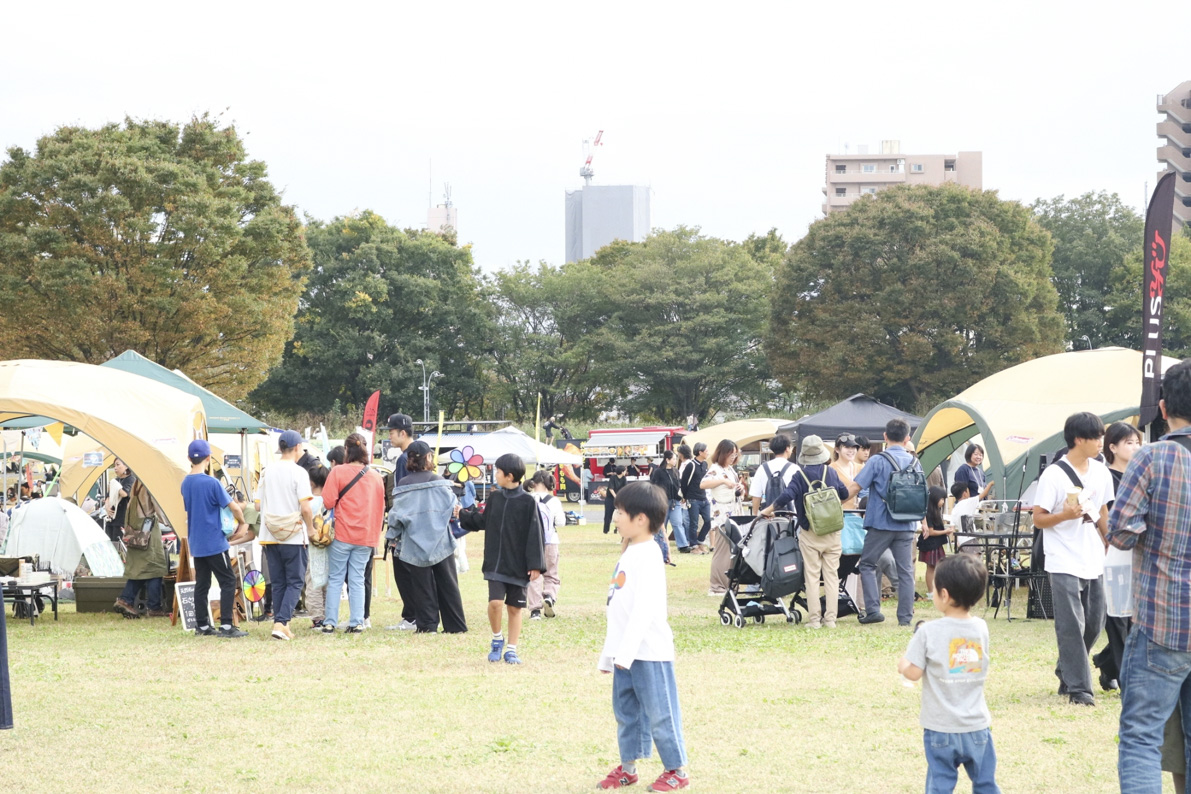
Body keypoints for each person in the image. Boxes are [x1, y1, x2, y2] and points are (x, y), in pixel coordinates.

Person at [1109, 358, 1191, 791]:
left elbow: (1121, 532)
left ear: (1163, 408)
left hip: (1163, 618)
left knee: (1141, 738)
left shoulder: (1152, 458)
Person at [595, 481, 690, 792]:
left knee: (660, 713)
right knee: (627, 714)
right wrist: (611, 654)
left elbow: (644, 609)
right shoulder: (630, 551)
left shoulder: (649, 554)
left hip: (648, 652)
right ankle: (628, 767)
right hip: (626, 653)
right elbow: (617, 608)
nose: (617, 517)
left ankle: (676, 770)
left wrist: (626, 653)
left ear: (641, 519)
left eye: (621, 512)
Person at [898, 554, 998, 794]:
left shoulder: (928, 631)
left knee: (940, 785)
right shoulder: (981, 628)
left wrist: (902, 664)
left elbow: (912, 672)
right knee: (985, 784)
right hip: (976, 726)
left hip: (940, 727)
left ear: (944, 594)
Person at [1032, 411, 1112, 706]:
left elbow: (1102, 511)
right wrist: (1065, 515)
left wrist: (1109, 540)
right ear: (1079, 439)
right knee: (1071, 624)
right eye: (1096, 437)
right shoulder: (1054, 474)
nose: (1101, 442)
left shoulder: (1101, 472)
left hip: (1093, 556)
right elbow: (1038, 519)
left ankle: (1066, 668)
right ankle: (1080, 689)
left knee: (1095, 621)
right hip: (1062, 557)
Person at [458, 453, 546, 664]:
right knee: (496, 602)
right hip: (496, 562)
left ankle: (512, 649)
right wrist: (462, 514)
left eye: (497, 471)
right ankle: (497, 639)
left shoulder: (528, 502)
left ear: (509, 475)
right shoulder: (495, 498)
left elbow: (536, 535)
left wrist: (535, 565)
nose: (494, 475)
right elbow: (483, 521)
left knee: (515, 608)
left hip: (518, 565)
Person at [759, 435, 847, 629]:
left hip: (810, 533)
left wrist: (768, 509)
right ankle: (831, 619)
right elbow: (845, 494)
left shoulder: (800, 476)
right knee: (832, 576)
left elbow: (786, 496)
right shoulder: (831, 473)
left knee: (812, 576)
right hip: (832, 531)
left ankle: (815, 620)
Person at [387, 440, 467, 634]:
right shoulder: (440, 481)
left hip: (414, 542)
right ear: (428, 458)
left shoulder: (403, 485)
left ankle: (427, 625)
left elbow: (396, 517)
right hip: (440, 541)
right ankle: (455, 625)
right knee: (448, 584)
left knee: (421, 586)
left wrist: (392, 536)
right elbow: (452, 508)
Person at [848, 418, 920, 627]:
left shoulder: (877, 461)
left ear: (885, 437)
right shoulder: (915, 462)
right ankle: (905, 618)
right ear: (907, 439)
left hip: (880, 522)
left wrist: (836, 501)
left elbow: (856, 487)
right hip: (906, 524)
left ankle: (873, 610)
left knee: (868, 564)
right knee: (906, 571)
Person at [1093, 421, 1143, 691]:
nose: (1135, 447)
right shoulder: (1105, 477)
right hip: (1112, 553)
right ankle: (1127, 679)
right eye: (1129, 443)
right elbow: (1104, 516)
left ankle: (1106, 662)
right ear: (1112, 447)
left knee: (1135, 618)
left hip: (1137, 552)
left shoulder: (1139, 475)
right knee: (1118, 618)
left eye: (1137, 442)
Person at [182, 439, 248, 638]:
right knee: (228, 580)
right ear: (209, 458)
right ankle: (227, 625)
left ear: (188, 459)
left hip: (197, 542)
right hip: (214, 542)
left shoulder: (185, 483)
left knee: (202, 583)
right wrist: (242, 521)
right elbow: (234, 506)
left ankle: (201, 625)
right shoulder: (212, 483)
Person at [320, 433, 385, 634]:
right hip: (365, 536)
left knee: (336, 578)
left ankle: (330, 621)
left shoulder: (338, 472)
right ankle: (357, 621)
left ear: (346, 450)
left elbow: (328, 502)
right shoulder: (375, 476)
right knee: (357, 578)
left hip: (342, 533)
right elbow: (380, 508)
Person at [257, 429, 316, 641]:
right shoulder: (299, 472)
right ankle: (282, 622)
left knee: (279, 581)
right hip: (292, 536)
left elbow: (257, 504)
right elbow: (306, 508)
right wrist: (310, 528)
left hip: (270, 535)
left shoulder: (267, 471)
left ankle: (280, 624)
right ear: (298, 447)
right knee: (296, 581)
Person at [113, 479, 168, 619]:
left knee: (140, 569)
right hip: (148, 534)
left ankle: (126, 600)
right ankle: (154, 608)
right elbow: (160, 512)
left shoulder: (136, 484)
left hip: (134, 533)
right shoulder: (150, 485)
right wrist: (170, 522)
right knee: (155, 569)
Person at [384, 413, 419, 631]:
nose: (389, 436)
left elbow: (402, 495)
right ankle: (416, 614)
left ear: (402, 433)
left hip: (406, 523)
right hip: (419, 522)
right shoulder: (421, 452)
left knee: (403, 569)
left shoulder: (405, 458)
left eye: (391, 431)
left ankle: (411, 617)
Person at [701, 440, 746, 597]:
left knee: (732, 552)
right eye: (731, 453)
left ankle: (728, 584)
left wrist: (740, 487)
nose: (733, 457)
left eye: (735, 454)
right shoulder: (715, 469)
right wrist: (722, 481)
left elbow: (734, 489)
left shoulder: (730, 470)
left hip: (733, 514)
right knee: (722, 551)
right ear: (723, 453)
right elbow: (703, 484)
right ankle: (717, 586)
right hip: (722, 516)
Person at [527, 470, 565, 620]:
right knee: (551, 575)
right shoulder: (554, 501)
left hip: (531, 544)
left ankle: (535, 610)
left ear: (534, 483)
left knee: (533, 575)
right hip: (551, 542)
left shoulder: (527, 499)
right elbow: (561, 523)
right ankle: (549, 596)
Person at [304, 465, 330, 630]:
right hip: (329, 545)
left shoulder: (308, 504)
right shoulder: (330, 502)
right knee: (328, 582)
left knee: (313, 581)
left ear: (311, 483)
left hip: (311, 547)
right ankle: (329, 615)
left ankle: (317, 619)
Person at [649, 450, 687, 559]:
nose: (676, 461)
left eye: (676, 458)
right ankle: (658, 545)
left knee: (678, 522)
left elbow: (678, 486)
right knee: (662, 524)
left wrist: (681, 496)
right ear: (667, 460)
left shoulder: (676, 471)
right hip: (663, 501)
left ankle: (683, 545)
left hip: (676, 501)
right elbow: (653, 485)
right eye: (674, 459)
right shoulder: (658, 472)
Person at [919, 486, 954, 596]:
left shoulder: (936, 511)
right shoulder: (928, 512)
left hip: (936, 543)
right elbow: (931, 532)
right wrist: (946, 532)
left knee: (936, 567)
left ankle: (935, 590)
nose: (943, 502)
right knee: (931, 567)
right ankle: (931, 592)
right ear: (934, 498)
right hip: (930, 544)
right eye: (942, 499)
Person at [678, 444, 710, 551]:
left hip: (704, 497)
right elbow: (684, 482)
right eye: (706, 450)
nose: (708, 452)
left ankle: (700, 541)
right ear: (700, 452)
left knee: (709, 521)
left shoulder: (705, 464)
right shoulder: (691, 465)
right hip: (693, 498)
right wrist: (686, 496)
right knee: (694, 523)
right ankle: (694, 545)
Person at [105, 459, 136, 543]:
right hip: (111, 517)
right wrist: (107, 507)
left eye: (118, 465)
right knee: (110, 542)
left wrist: (115, 486)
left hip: (122, 518)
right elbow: (108, 496)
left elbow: (125, 494)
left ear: (126, 466)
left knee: (119, 543)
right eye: (114, 465)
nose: (115, 468)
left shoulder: (131, 479)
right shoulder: (115, 480)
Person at [830, 433, 862, 510]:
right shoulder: (830, 470)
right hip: (839, 514)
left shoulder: (861, 468)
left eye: (854, 447)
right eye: (847, 447)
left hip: (859, 515)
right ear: (837, 449)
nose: (851, 450)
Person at [603, 460, 627, 536]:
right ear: (622, 471)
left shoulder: (624, 479)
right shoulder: (613, 478)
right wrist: (616, 497)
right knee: (608, 514)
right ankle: (606, 530)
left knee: (620, 514)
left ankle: (618, 529)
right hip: (610, 498)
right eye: (625, 471)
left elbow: (624, 489)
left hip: (619, 499)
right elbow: (611, 488)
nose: (626, 472)